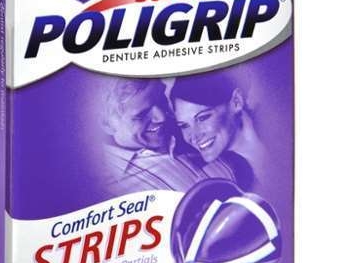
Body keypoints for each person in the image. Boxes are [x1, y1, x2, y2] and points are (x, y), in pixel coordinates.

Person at [100, 78, 235, 193]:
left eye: (161, 99)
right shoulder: (106, 188)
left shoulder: (190, 129)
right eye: (141, 115)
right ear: (107, 125)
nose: (162, 117)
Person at [170, 71, 267, 192]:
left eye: (202, 118)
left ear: (236, 102)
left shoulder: (279, 132)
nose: (194, 136)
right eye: (184, 126)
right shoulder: (211, 182)